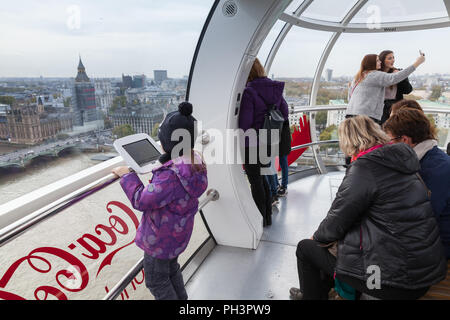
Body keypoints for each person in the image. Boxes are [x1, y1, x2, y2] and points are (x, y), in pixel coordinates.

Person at [290, 115, 446, 300]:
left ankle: (312, 295)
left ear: (349, 141)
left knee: (307, 249)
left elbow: (335, 223)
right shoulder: (401, 161)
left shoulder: (365, 167)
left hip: (392, 283)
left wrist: (317, 237)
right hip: (423, 274)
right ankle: (319, 291)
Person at [112, 102, 208, 300]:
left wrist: (127, 176)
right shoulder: (194, 162)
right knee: (172, 271)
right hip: (177, 236)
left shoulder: (170, 175)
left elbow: (141, 200)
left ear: (166, 142)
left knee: (157, 281)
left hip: (159, 240)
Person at [384, 108, 450, 259]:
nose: (388, 146)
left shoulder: (432, 171)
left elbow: (421, 219)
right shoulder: (433, 160)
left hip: (438, 245)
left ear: (405, 140)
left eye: (390, 141)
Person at [239, 58, 289, 226]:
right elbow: (285, 112)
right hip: (269, 141)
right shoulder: (275, 89)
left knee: (255, 180)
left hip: (252, 143)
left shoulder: (249, 92)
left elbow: (245, 124)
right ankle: (267, 216)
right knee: (262, 178)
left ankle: (260, 217)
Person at [346, 52, 425, 124]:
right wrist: (417, 63)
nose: (380, 62)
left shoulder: (358, 77)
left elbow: (350, 97)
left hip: (350, 114)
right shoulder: (374, 75)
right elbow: (395, 78)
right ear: (371, 63)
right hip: (365, 117)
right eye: (377, 61)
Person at [378, 50, 413, 124]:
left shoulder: (398, 72)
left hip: (395, 108)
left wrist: (400, 76)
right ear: (382, 60)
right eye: (389, 58)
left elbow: (408, 90)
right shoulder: (377, 74)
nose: (393, 60)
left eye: (393, 58)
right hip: (380, 109)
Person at [266, 119, 291, 204]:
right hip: (281, 140)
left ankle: (282, 187)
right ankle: (279, 186)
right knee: (278, 164)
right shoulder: (280, 108)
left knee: (280, 164)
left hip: (281, 141)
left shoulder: (277, 110)